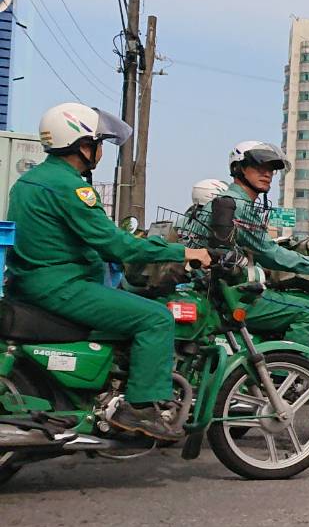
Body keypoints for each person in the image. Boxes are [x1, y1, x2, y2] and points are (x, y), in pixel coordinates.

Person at [7, 103, 211, 440]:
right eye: (98, 143)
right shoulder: (70, 187)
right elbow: (117, 246)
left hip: (32, 283)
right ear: (81, 145)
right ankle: (139, 408)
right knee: (156, 318)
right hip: (62, 287)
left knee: (132, 301)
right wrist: (182, 251)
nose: (100, 150)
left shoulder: (30, 181)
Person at [182, 142, 309, 347]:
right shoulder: (239, 205)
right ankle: (287, 376)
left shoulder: (224, 201)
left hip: (209, 289)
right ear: (239, 168)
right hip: (227, 295)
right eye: (259, 166)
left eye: (271, 169)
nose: (267, 173)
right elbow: (269, 253)